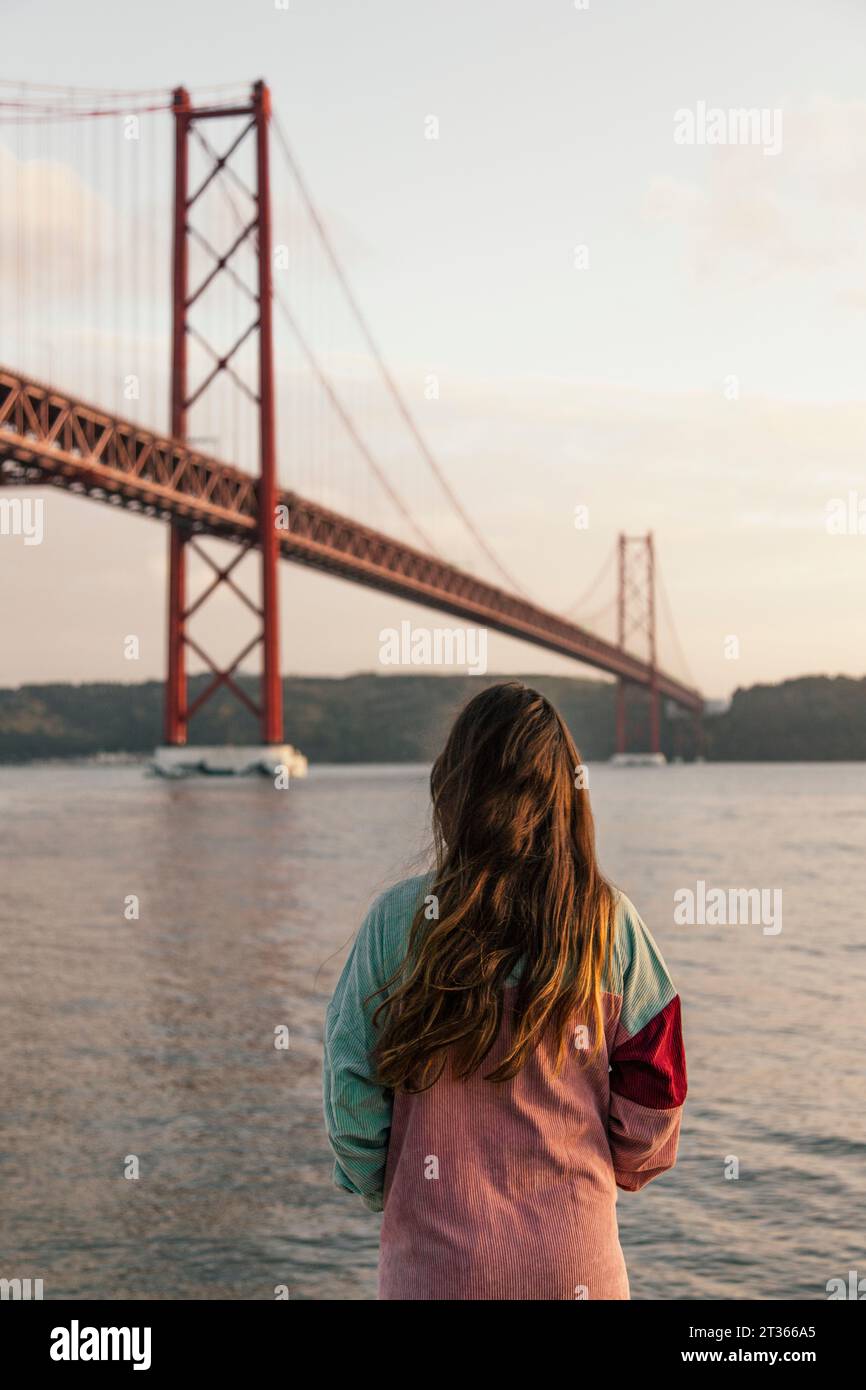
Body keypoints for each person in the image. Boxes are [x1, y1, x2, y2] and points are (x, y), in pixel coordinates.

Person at [323, 681, 686, 1300]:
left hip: (434, 1273)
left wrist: (398, 1185)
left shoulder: (397, 922)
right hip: (576, 1269)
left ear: (453, 789)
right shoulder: (611, 924)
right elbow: (658, 1098)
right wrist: (610, 1168)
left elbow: (351, 1091)